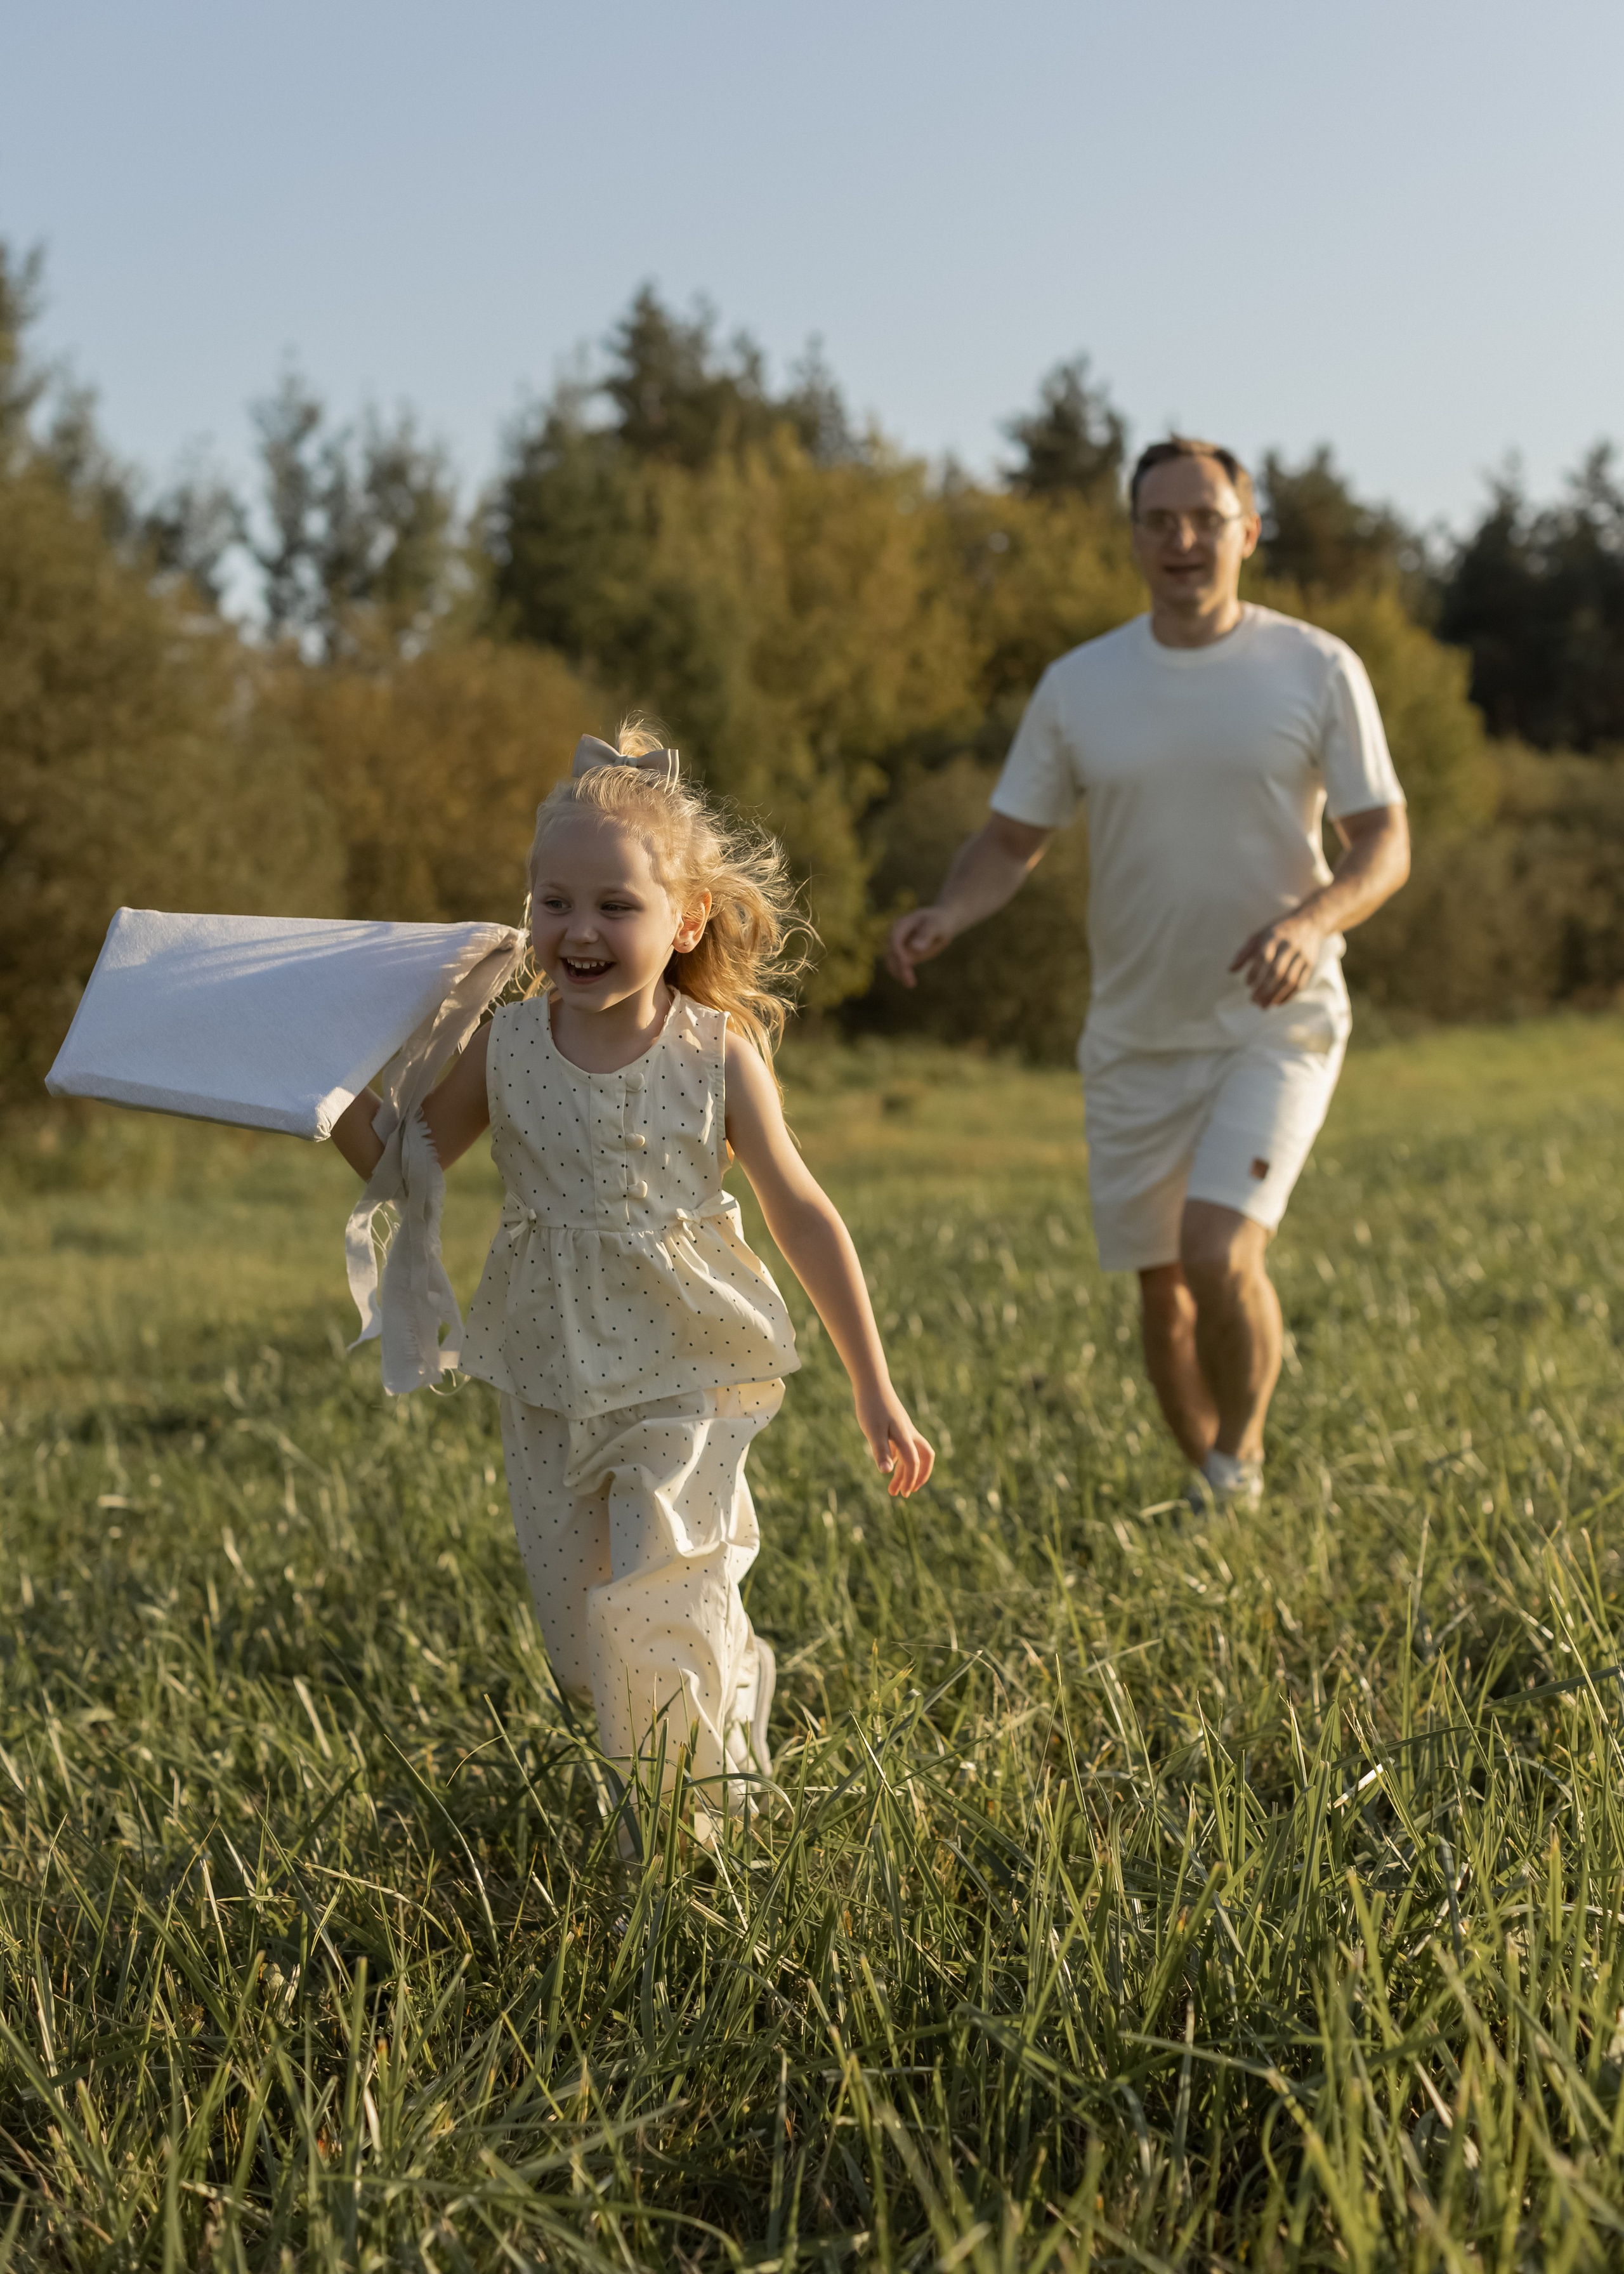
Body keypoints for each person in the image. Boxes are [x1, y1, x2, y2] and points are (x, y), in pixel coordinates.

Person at [332, 727, 933, 1832]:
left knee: (660, 1612)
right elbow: (406, 1163)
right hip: (548, 1372)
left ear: (686, 920)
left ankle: (685, 1848)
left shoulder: (715, 1054)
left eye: (615, 905)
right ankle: (733, 1676)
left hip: (685, 1369)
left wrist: (874, 1384)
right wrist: (321, 1091)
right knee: (586, 1650)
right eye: (554, 903)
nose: (579, 930)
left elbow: (802, 1212)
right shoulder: (507, 1047)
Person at [887, 437, 1409, 1508]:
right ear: (1132, 538)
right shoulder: (1080, 686)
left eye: (1206, 519)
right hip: (1132, 1037)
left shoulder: (1317, 667)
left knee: (1219, 1253)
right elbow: (1009, 842)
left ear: (1247, 533)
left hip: (1274, 1018)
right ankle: (1210, 1486)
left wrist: (1312, 922)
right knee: (1162, 1291)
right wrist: (950, 909)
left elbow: (1385, 842)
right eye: (1160, 520)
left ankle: (1241, 1467)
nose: (1183, 539)